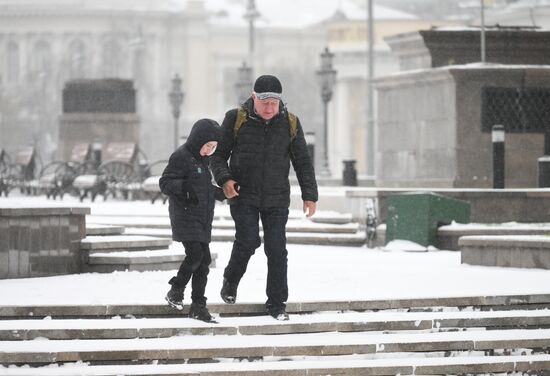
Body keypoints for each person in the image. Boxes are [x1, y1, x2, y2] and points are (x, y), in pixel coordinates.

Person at [210, 74, 318, 320]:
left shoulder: (290, 122)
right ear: (253, 98)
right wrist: (225, 179)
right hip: (243, 194)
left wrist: (309, 195)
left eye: (274, 103)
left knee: (277, 250)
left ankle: (277, 304)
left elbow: (302, 162)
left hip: (277, 197)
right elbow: (217, 156)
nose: (269, 108)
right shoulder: (235, 119)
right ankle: (231, 279)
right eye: (264, 103)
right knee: (248, 241)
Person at [159, 118, 224, 322]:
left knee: (203, 262)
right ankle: (176, 290)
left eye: (213, 147)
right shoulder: (181, 157)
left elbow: (202, 188)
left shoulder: (203, 161)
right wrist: (183, 188)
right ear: (198, 141)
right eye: (207, 146)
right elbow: (165, 182)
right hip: (185, 216)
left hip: (202, 219)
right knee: (195, 255)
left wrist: (221, 193)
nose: (209, 151)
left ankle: (198, 305)